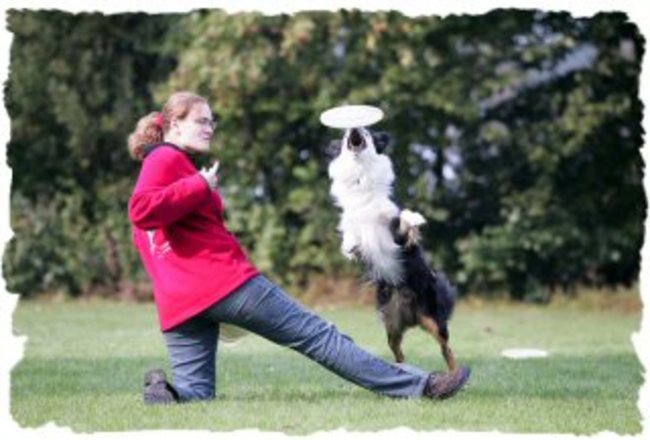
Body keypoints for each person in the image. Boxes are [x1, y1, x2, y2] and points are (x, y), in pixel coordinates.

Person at [127, 91, 471, 404]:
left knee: (194, 394)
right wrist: (200, 185)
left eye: (212, 121)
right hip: (225, 285)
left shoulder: (166, 169)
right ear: (174, 123)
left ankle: (162, 392)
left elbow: (151, 233)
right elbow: (140, 211)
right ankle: (421, 385)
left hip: (178, 304)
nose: (210, 128)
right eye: (201, 120)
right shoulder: (166, 159)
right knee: (319, 337)